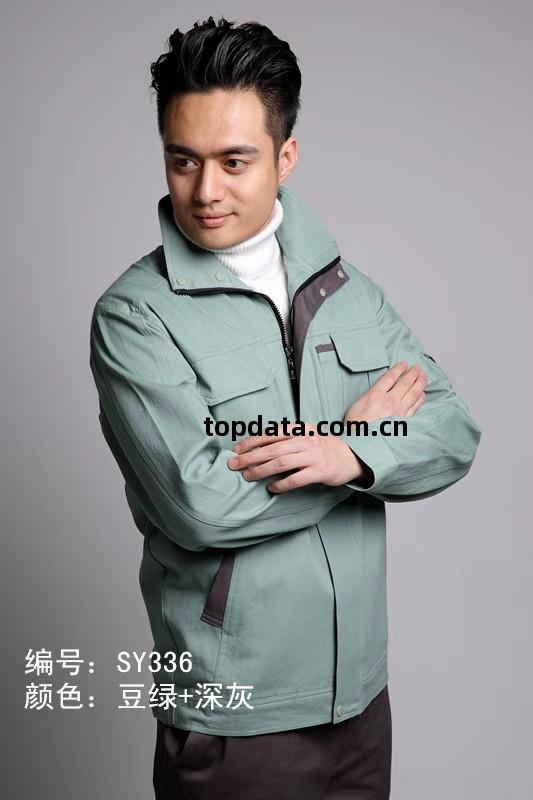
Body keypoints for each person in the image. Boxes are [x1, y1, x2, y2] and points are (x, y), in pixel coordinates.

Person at [89, 16, 482, 799]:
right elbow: (200, 504)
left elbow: (452, 431)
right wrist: (349, 447)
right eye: (182, 160)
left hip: (360, 701)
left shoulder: (348, 292)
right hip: (234, 715)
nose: (205, 190)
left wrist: (348, 455)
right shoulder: (136, 316)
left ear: (286, 156)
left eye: (234, 161)